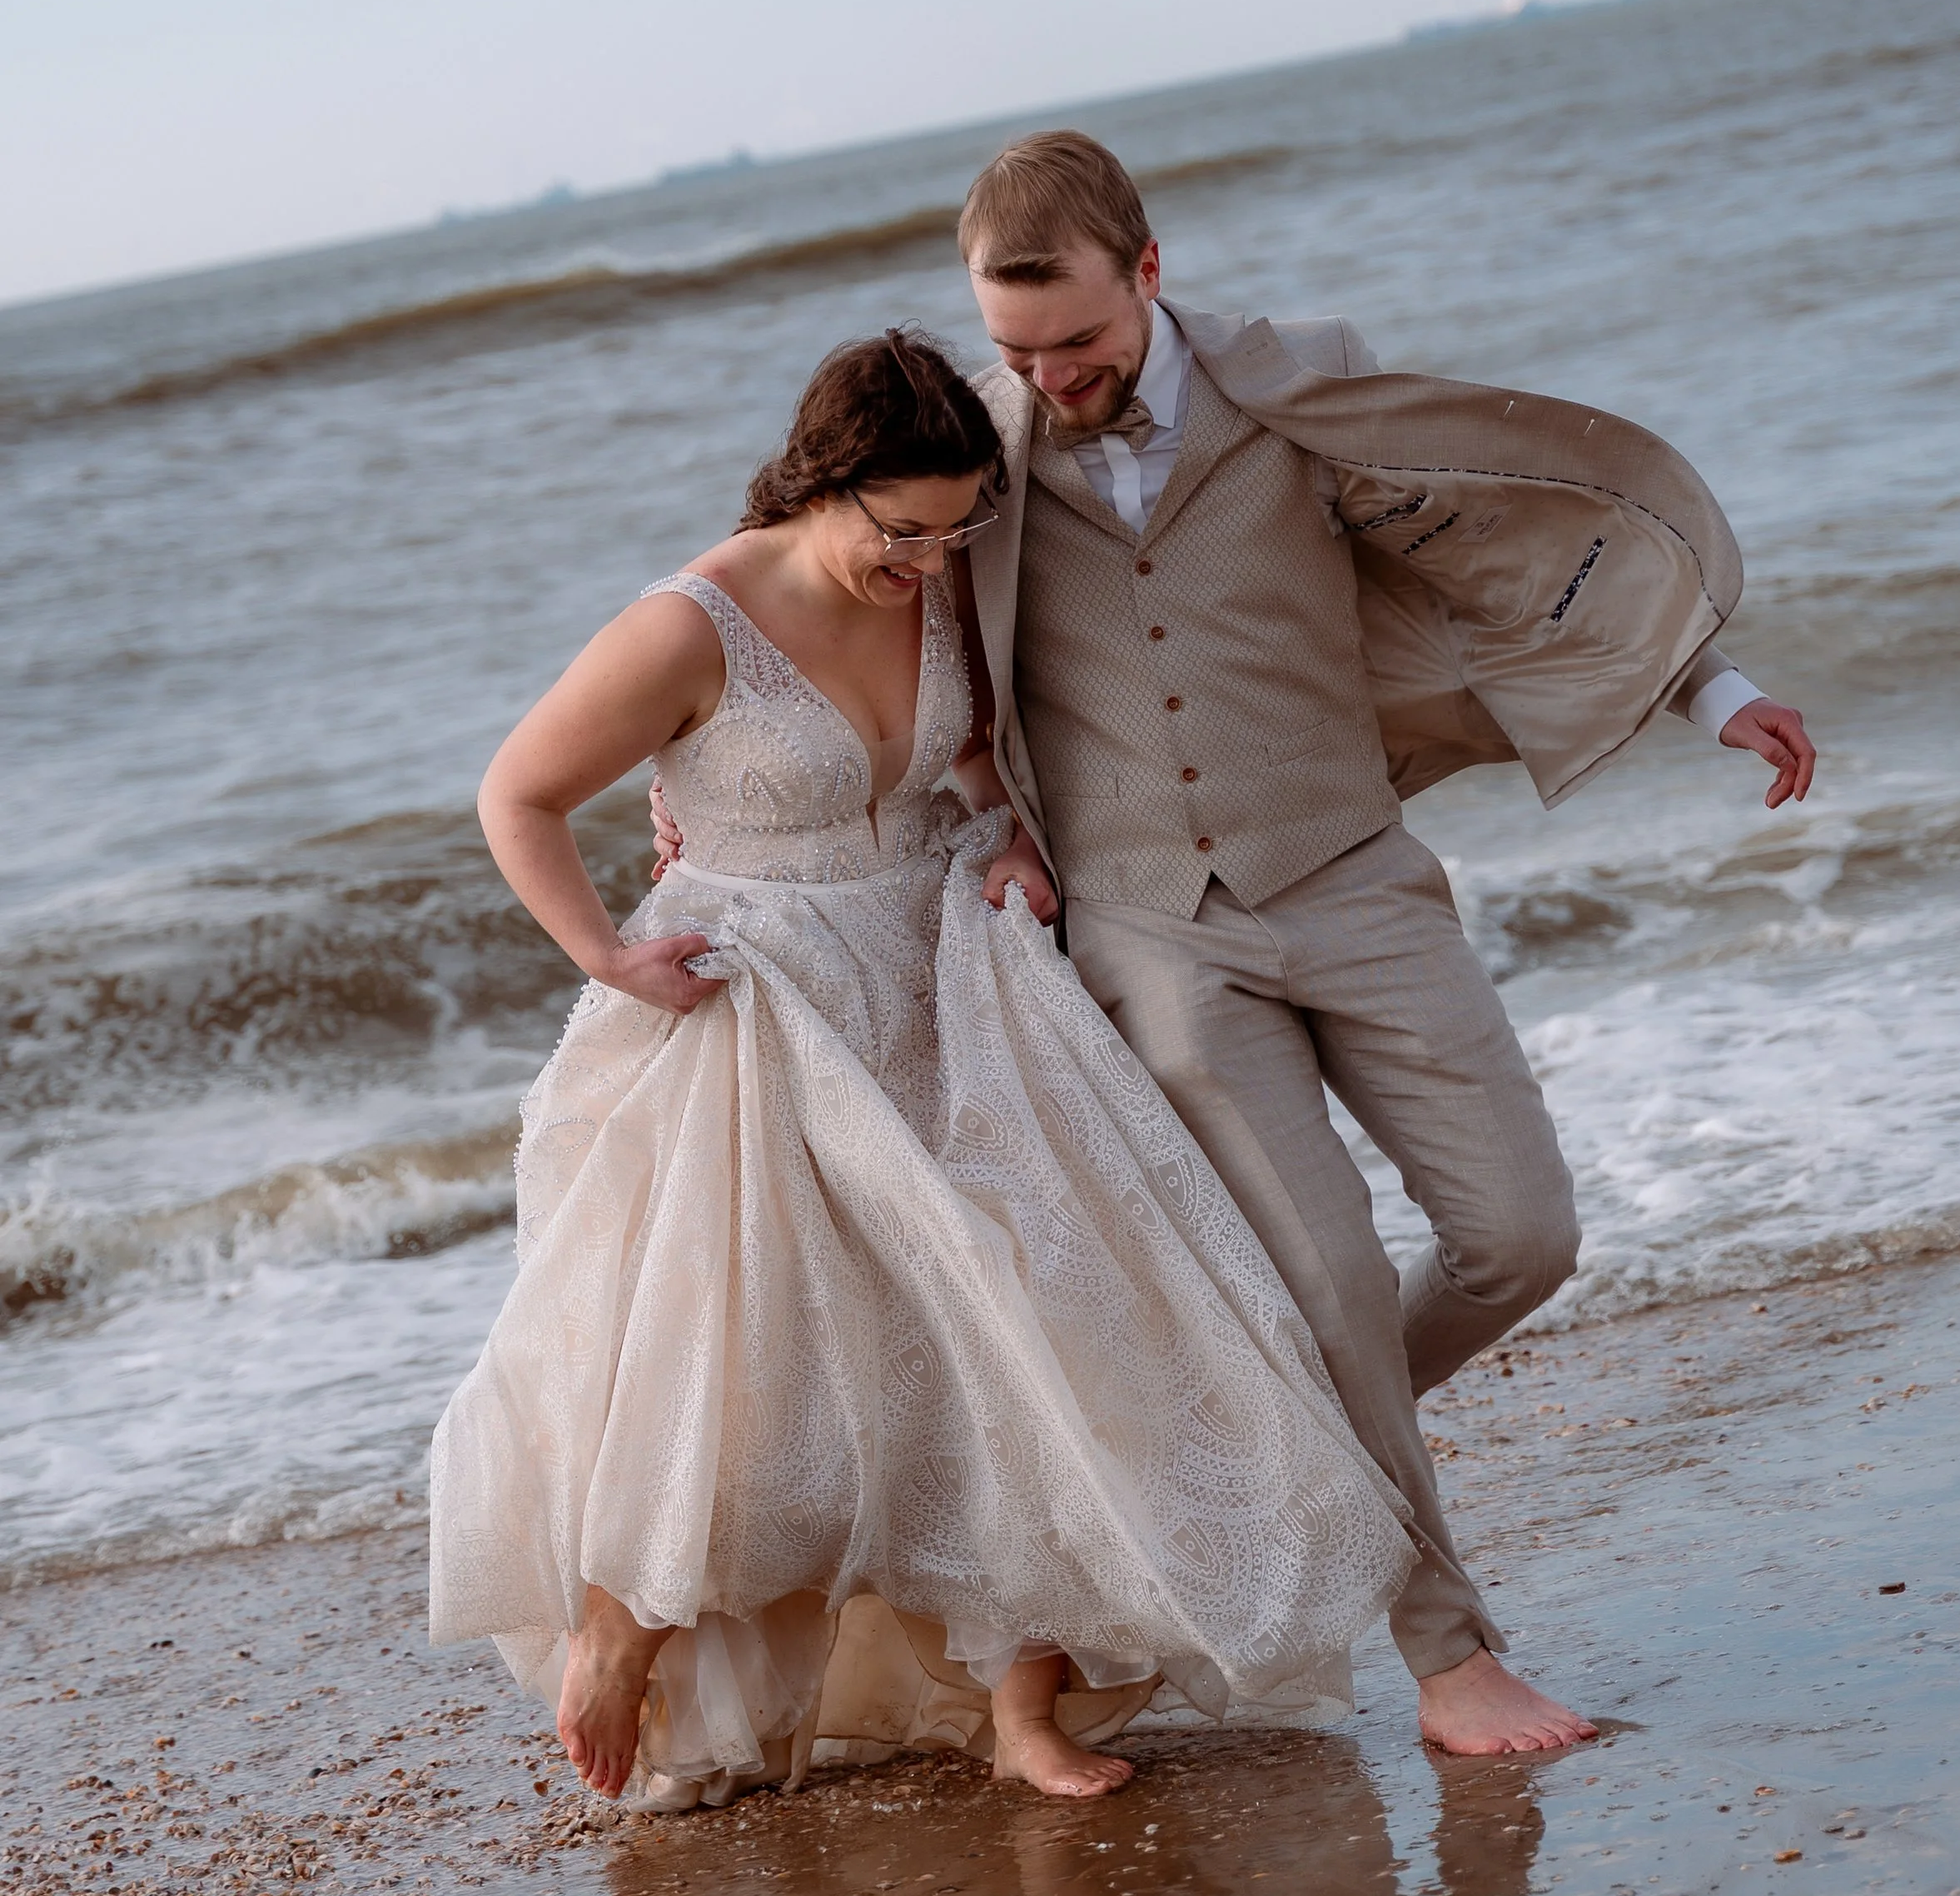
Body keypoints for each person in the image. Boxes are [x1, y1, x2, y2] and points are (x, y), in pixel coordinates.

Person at [659, 135, 1815, 1757]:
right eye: (1015, 353)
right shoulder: (975, 456)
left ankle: (1261, 1447)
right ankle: (1450, 1661)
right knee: (1330, 1283)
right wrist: (702, 786)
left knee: (1519, 1238)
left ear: (1146, 274)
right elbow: (826, 586)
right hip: (1151, 933)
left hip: (1349, 876)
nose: (1048, 380)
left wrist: (1711, 690)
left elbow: (1496, 548)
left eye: (1074, 344)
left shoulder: (1310, 388)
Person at [430, 330, 1417, 1809]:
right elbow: (519, 792)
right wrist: (607, 955)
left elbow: (959, 747)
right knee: (748, 1366)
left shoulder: (938, 568)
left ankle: (1021, 1703)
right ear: (824, 484)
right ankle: (621, 1633)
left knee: (1021, 1320)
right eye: (904, 531)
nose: (932, 560)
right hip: (759, 1007)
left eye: (958, 528)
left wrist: (1002, 823)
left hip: (946, 974)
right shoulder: (691, 627)